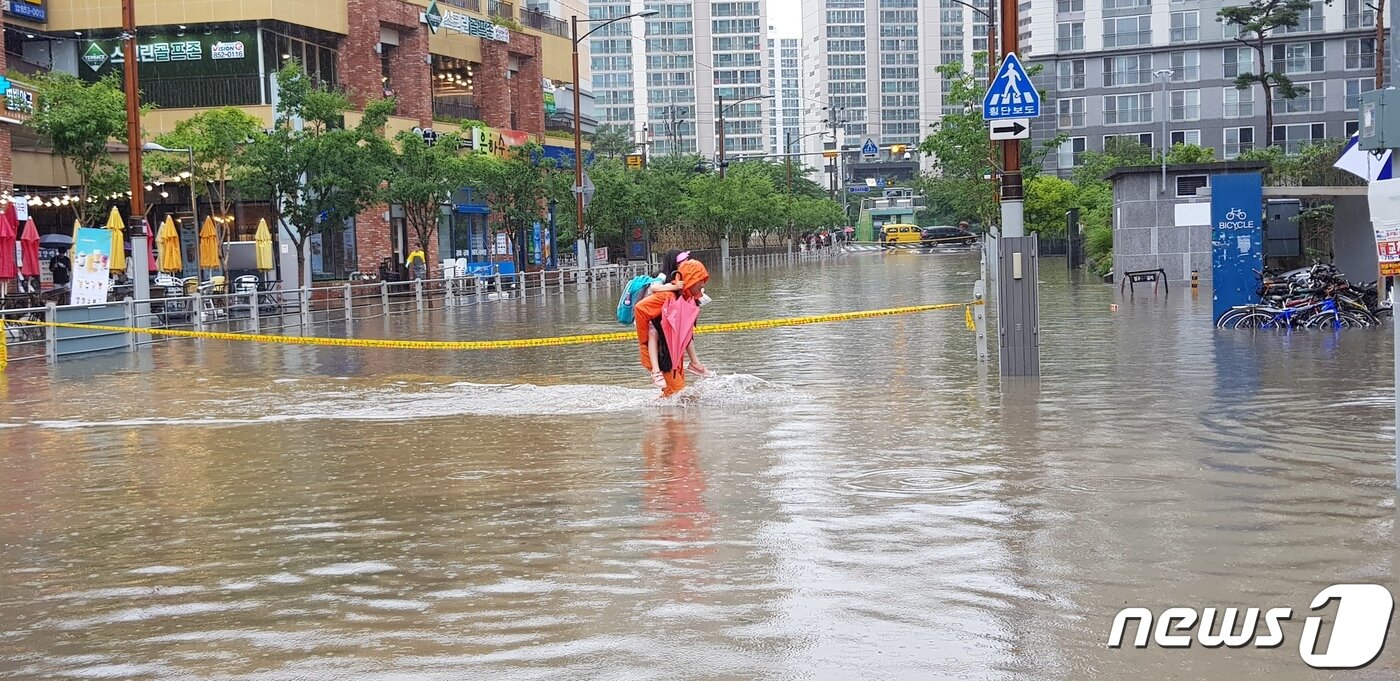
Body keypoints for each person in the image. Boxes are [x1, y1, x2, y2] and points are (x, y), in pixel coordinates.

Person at [633, 258, 710, 397]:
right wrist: (644, 340)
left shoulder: (687, 298)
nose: (703, 283)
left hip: (673, 355)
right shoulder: (667, 295)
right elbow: (640, 309)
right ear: (690, 280)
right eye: (700, 279)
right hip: (660, 354)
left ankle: (660, 416)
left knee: (672, 394)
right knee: (680, 394)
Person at [645, 250, 710, 378]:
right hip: (655, 319)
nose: (685, 264)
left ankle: (695, 363)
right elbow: (654, 287)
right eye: (681, 262)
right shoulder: (662, 275)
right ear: (673, 263)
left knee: (687, 331)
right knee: (653, 334)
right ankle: (656, 371)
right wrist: (674, 287)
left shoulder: (681, 276)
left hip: (669, 318)